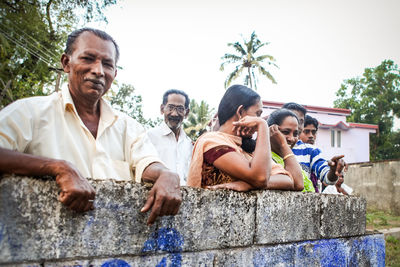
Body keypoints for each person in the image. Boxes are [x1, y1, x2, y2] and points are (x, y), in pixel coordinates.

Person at [0, 28, 181, 225]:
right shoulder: (30, 112)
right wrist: (58, 167)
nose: (98, 70)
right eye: (88, 58)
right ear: (66, 63)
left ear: (115, 73)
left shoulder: (130, 127)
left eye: (107, 64)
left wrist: (166, 174)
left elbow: (146, 163)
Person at [187, 85, 298, 191]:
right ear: (240, 112)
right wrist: (263, 125)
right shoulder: (211, 141)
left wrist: (248, 184)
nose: (259, 120)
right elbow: (260, 178)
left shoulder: (248, 149)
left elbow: (290, 181)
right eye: (257, 114)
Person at [282, 102, 347, 188]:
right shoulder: (270, 148)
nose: (296, 125)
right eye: (292, 120)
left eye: (300, 121)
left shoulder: (311, 151)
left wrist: (333, 170)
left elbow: (327, 178)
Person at [147, 89, 193, 185]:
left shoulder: (189, 143)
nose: (174, 113)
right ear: (162, 109)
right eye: (170, 107)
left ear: (186, 113)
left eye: (180, 109)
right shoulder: (149, 137)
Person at [267, 109, 313, 192]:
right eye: (285, 132)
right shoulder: (265, 159)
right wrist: (284, 145)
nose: (292, 139)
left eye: (295, 134)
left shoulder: (288, 160)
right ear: (271, 131)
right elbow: (298, 185)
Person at [299, 114, 320, 191]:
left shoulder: (317, 154)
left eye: (313, 132)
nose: (311, 136)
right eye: (306, 132)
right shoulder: (290, 153)